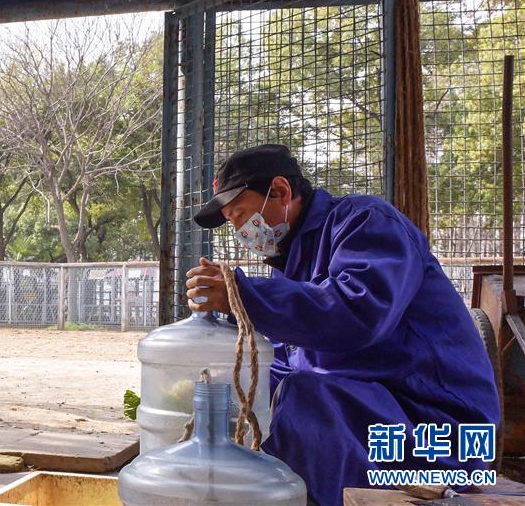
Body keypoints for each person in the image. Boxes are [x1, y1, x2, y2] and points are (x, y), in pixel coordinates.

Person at [186, 144, 500, 506]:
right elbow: (290, 364)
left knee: (304, 399)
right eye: (233, 222)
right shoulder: (294, 265)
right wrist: (224, 392)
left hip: (440, 428)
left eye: (241, 215)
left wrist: (242, 295)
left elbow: (358, 313)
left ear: (281, 191)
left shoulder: (366, 222)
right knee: (267, 397)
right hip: (378, 413)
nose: (241, 230)